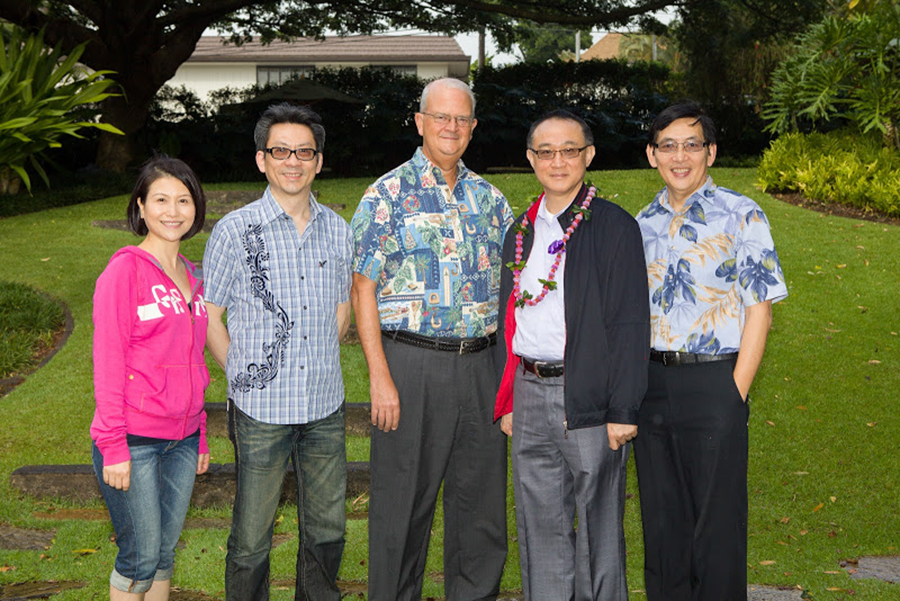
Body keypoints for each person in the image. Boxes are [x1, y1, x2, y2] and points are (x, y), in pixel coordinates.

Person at [350, 77, 513, 601]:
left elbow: (515, 294)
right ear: (420, 122)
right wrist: (380, 376)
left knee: (480, 507)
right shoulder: (386, 196)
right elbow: (362, 288)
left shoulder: (492, 201)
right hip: (411, 365)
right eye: (441, 117)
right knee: (402, 506)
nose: (451, 127)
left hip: (481, 367)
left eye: (461, 119)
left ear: (472, 128)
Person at [634, 103, 788, 601]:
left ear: (711, 152)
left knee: (716, 526)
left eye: (692, 145)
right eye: (669, 145)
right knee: (662, 526)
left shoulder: (742, 214)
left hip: (716, 382)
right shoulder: (639, 224)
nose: (681, 156)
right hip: (651, 387)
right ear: (652, 155)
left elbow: (759, 309)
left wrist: (734, 392)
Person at [493, 109, 649, 600]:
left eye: (569, 150)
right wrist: (510, 400)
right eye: (546, 151)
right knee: (539, 524)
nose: (557, 161)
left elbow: (629, 323)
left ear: (589, 155)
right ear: (530, 158)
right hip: (529, 392)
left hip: (589, 395)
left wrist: (622, 410)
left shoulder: (613, 228)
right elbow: (509, 319)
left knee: (599, 526)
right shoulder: (520, 231)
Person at [203, 103, 352, 601]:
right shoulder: (234, 231)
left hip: (324, 409)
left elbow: (341, 306)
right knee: (251, 539)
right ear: (261, 160)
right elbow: (211, 316)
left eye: (304, 151)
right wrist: (243, 375)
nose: (293, 160)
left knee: (328, 530)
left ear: (319, 160)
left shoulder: (338, 229)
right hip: (261, 411)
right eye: (281, 151)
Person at [91, 156, 210, 600]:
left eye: (183, 200)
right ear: (141, 207)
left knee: (163, 552)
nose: (173, 210)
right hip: (133, 440)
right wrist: (113, 446)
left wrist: (199, 436)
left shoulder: (193, 276)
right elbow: (107, 362)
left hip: (182, 440)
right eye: (160, 199)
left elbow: (193, 363)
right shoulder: (124, 271)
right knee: (139, 555)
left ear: (195, 208)